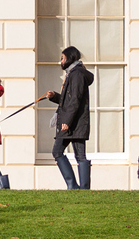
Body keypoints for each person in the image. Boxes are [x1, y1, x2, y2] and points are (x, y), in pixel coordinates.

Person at [45, 45, 94, 190]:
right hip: (73, 122)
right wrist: (54, 96)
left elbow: (75, 100)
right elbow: (68, 100)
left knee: (62, 152)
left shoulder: (76, 74)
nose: (60, 61)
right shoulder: (72, 73)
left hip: (74, 124)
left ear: (69, 58)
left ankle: (77, 187)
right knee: (73, 155)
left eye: (62, 58)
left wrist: (67, 121)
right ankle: (77, 187)